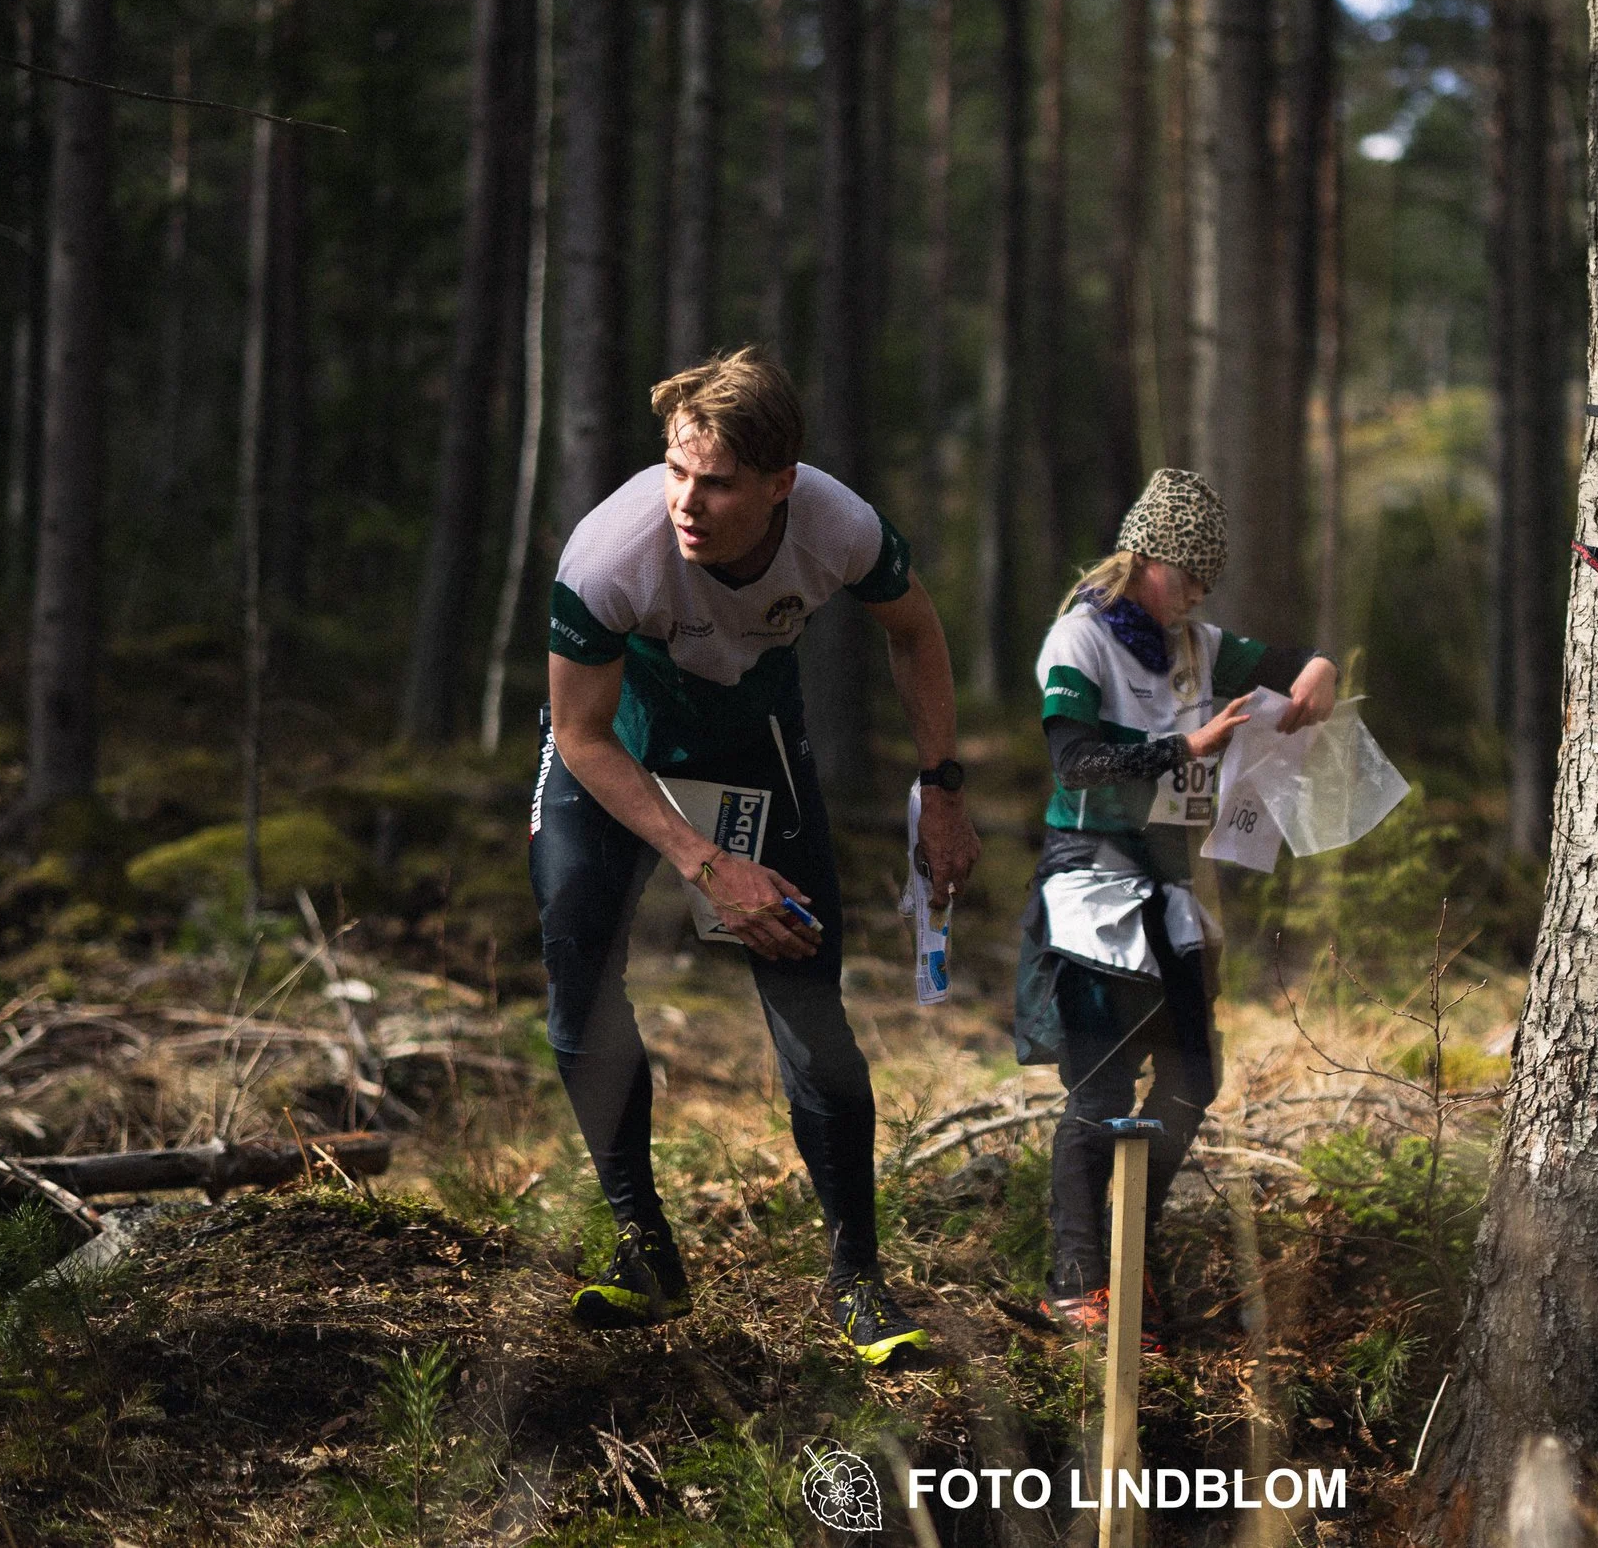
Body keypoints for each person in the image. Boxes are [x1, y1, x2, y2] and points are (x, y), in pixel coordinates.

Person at [533, 347, 980, 1362]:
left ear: (781, 483)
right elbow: (582, 737)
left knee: (808, 1000)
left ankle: (857, 1278)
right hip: (617, 746)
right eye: (676, 471)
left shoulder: (839, 524)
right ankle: (645, 1246)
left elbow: (916, 631)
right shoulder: (607, 553)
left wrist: (943, 790)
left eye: (718, 482)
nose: (687, 501)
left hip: (753, 740)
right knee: (577, 968)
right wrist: (705, 864)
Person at [1014, 469, 1339, 1340]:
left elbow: (1291, 662)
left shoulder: (1196, 641)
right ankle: (1078, 1279)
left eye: (1207, 581)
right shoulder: (1079, 638)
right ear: (1146, 557)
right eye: (1187, 575)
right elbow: (1074, 760)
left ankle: (1130, 1248)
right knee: (1101, 1086)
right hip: (1091, 882)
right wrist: (1181, 746)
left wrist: (1320, 669)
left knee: (1194, 1075)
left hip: (1173, 889)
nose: (1197, 594)